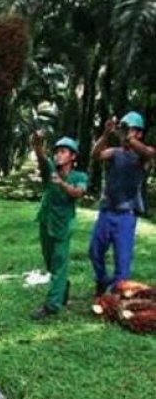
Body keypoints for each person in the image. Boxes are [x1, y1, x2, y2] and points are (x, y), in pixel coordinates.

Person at [89, 111, 155, 296]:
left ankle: (117, 296)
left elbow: (149, 153)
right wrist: (105, 134)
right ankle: (102, 280)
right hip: (107, 211)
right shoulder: (115, 153)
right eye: (123, 128)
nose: (125, 132)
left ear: (139, 133)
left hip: (127, 215)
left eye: (130, 129)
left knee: (122, 261)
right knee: (95, 251)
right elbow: (95, 155)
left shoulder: (142, 155)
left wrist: (129, 139)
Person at [30, 132, 88, 320]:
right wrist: (37, 141)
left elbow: (78, 193)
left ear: (72, 156)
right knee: (50, 263)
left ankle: (52, 306)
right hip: (46, 221)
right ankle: (63, 287)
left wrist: (62, 184)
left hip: (64, 225)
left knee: (59, 262)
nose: (58, 155)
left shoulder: (79, 176)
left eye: (63, 152)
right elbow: (40, 155)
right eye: (57, 152)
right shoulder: (50, 170)